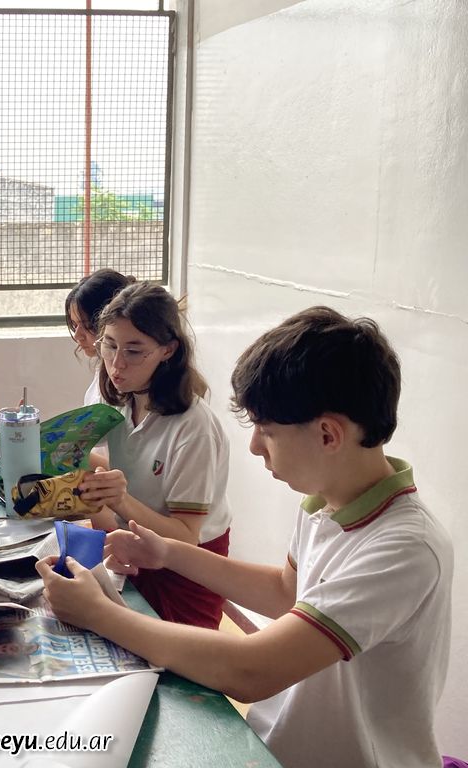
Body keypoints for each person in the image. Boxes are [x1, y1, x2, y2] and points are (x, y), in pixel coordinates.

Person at [38, 306, 453, 768]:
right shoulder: (324, 502)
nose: (255, 446)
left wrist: (99, 614)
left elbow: (250, 671)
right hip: (276, 747)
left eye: (266, 431)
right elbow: (285, 591)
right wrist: (168, 552)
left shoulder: (404, 548)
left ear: (328, 434)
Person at [77, 281, 231, 629]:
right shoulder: (121, 401)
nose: (116, 364)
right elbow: (133, 472)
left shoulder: (193, 427)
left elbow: (186, 536)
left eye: (134, 351)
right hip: (134, 550)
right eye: (109, 345)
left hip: (187, 571)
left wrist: (119, 500)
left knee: (174, 657)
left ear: (167, 350)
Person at [64, 268, 136, 405]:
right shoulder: (102, 371)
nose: (77, 335)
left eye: (88, 325)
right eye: (74, 325)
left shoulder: (124, 379)